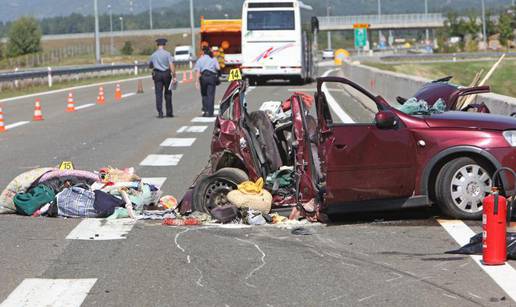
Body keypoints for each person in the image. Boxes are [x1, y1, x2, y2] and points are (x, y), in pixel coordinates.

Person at [149, 38, 177, 118]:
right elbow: (171, 65)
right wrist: (174, 75)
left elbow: (150, 65)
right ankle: (169, 112)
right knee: (168, 93)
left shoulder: (153, 55)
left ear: (157, 45)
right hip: (166, 74)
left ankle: (160, 113)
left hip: (157, 74)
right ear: (164, 45)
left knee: (158, 94)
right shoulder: (168, 54)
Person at [194, 46, 220, 117]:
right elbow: (218, 68)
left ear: (203, 52)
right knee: (211, 95)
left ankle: (205, 111)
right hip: (211, 77)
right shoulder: (213, 59)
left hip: (203, 77)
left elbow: (198, 71)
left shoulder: (200, 60)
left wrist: (196, 82)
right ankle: (210, 112)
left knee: (204, 95)